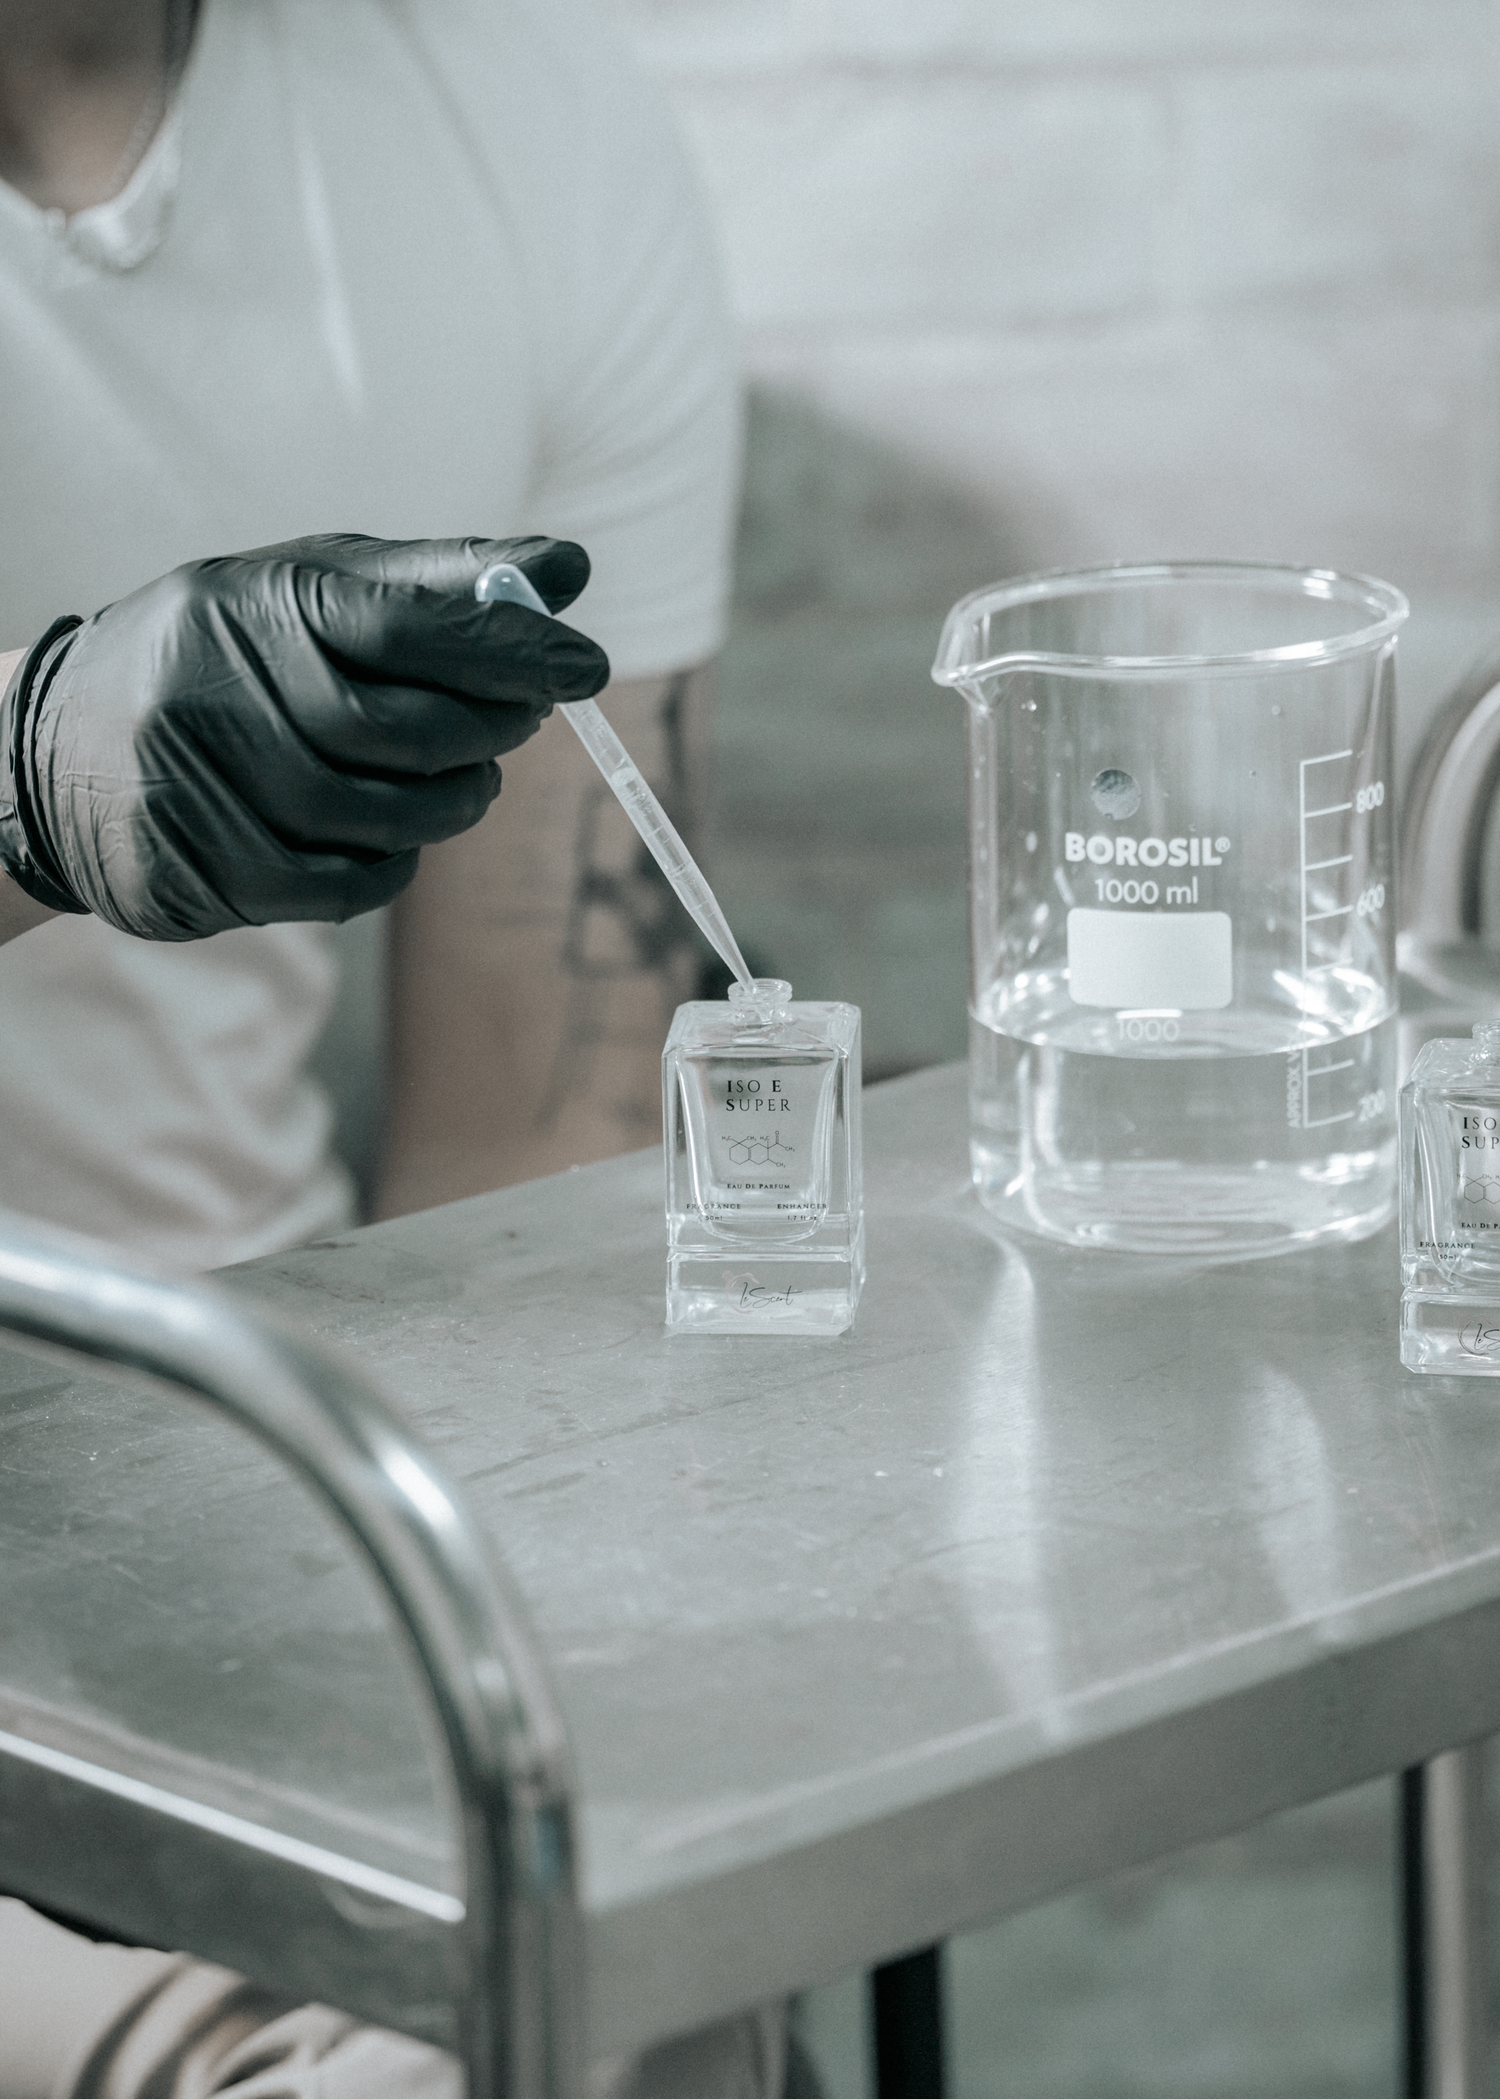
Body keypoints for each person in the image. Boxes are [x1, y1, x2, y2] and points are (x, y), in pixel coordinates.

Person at [0, 1, 772, 2093]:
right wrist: (24, 780)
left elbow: (542, 1130)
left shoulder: (522, 121)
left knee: (652, 1988)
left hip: (241, 1493)